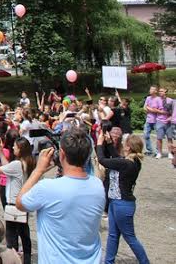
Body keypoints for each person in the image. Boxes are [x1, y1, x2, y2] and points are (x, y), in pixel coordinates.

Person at [17, 128, 105, 264]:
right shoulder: (98, 186)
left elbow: (20, 203)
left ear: (61, 154)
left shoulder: (47, 188)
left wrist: (38, 170)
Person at [95, 132, 150, 264]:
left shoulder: (125, 163)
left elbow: (102, 160)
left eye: (125, 144)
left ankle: (145, 262)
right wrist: (109, 143)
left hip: (122, 205)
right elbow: (116, 157)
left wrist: (99, 144)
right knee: (113, 235)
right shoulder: (131, 161)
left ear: (128, 147)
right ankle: (109, 261)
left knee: (130, 237)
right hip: (116, 202)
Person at [0, 138, 34, 264]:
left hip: (13, 204)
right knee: (24, 235)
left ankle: (13, 260)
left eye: (15, 146)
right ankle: (27, 260)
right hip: (23, 202)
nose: (13, 148)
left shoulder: (17, 164)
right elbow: (7, 167)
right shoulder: (28, 162)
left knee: (11, 237)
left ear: (20, 149)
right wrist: (0, 152)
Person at [154, 87, 173, 159]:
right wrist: (162, 112)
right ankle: (159, 153)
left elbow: (174, 111)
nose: (160, 92)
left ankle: (170, 153)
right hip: (160, 121)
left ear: (165, 92)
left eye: (162, 91)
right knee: (159, 138)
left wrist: (170, 118)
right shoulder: (157, 100)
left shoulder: (170, 100)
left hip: (169, 122)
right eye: (159, 91)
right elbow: (154, 109)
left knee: (169, 138)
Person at [141, 86, 159, 155]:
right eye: (150, 89)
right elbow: (144, 108)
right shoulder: (148, 98)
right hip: (148, 120)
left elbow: (157, 110)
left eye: (152, 89)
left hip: (157, 120)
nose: (150, 90)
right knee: (146, 135)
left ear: (156, 91)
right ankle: (150, 150)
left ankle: (157, 151)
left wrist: (149, 108)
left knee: (158, 137)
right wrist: (151, 109)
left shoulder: (158, 99)